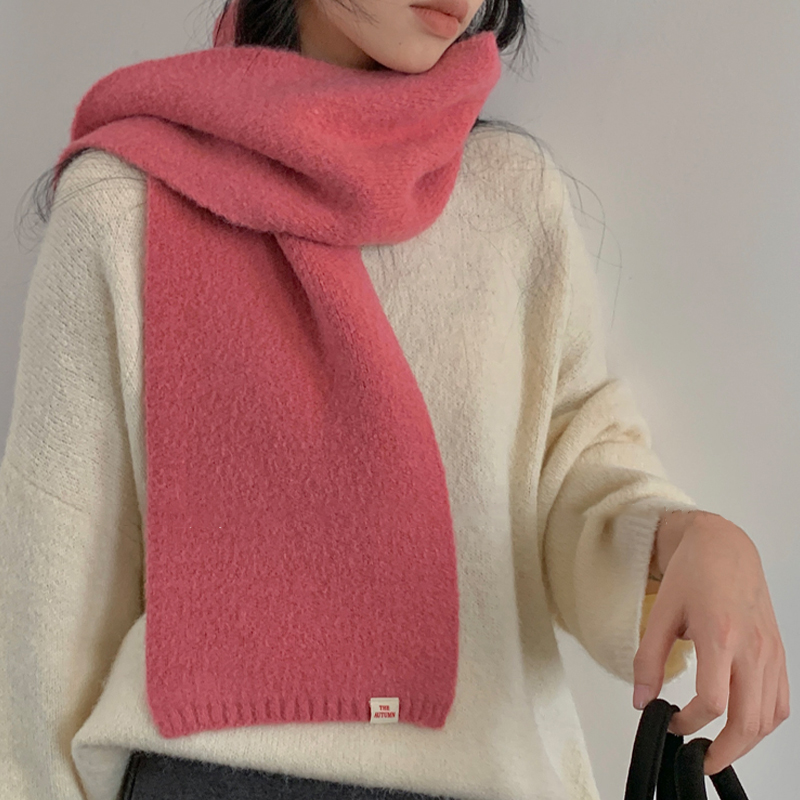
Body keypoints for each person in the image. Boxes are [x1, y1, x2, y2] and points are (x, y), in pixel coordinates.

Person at [0, 1, 788, 799]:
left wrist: (685, 538)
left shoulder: (511, 200)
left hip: (491, 774)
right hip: (208, 777)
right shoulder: (126, 205)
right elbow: (48, 605)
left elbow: (573, 471)